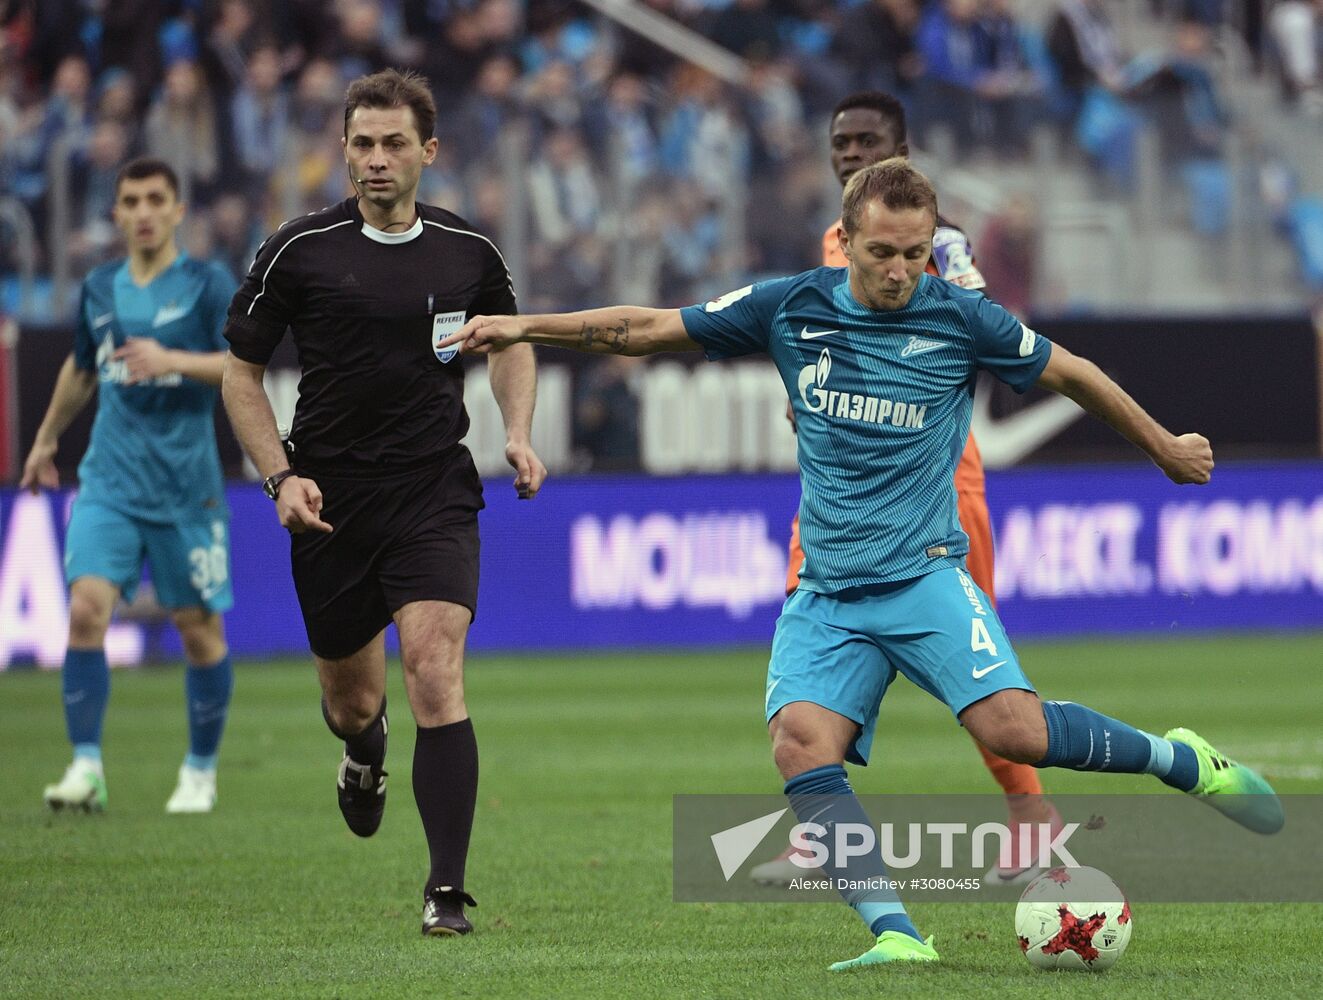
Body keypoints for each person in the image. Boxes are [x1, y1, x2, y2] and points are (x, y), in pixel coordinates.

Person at [440, 158, 1283, 970]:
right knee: (800, 745)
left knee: (1015, 732)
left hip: (923, 576)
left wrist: (1164, 446)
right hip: (828, 592)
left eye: (914, 254)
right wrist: (526, 325)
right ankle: (895, 932)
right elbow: (648, 328)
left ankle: (1182, 761)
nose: (898, 272)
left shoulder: (959, 317)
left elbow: (1073, 373)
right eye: (881, 253)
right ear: (843, 240)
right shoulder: (791, 307)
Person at [220, 68, 545, 939]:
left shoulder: (469, 252)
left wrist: (516, 430)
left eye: (393, 142)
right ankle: (364, 755)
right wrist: (280, 477)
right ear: (344, 151)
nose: (374, 159)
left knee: (434, 672)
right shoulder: (299, 250)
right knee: (352, 705)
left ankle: (445, 891)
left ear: (427, 152)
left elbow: (512, 344)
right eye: (361, 143)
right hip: (329, 500)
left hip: (433, 489)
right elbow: (239, 373)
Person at [751, 91, 1059, 889]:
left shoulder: (941, 244)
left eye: (870, 141)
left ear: (904, 150)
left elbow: (977, 322)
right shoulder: (835, 242)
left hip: (936, 486)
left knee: (982, 686)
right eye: (842, 142)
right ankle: (823, 832)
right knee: (808, 624)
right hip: (843, 493)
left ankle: (1032, 819)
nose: (852, 153)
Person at [22, 157, 238, 815]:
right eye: (130, 201)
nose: (143, 212)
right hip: (109, 480)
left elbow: (242, 365)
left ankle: (200, 770)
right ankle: (86, 767)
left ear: (177, 211)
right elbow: (83, 369)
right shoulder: (98, 288)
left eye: (155, 200)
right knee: (87, 607)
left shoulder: (207, 284)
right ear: (116, 213)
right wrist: (45, 438)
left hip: (186, 487)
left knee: (198, 629)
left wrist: (171, 359)